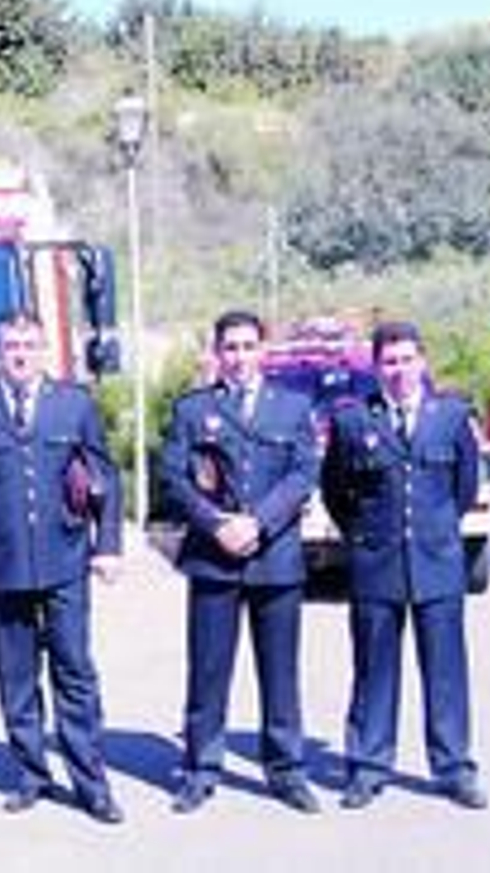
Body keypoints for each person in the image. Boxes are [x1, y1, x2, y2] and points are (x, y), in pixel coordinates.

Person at [0, 311, 125, 824]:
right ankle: (31, 775)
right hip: (1, 567)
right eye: (10, 345)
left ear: (44, 349)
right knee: (16, 676)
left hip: (65, 558)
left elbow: (104, 478)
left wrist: (107, 546)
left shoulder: (75, 405)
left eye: (29, 344)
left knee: (74, 672)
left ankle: (92, 783)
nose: (20, 353)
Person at [319, 321, 488, 810]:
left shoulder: (450, 417)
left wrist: (437, 531)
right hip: (376, 564)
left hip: (437, 565)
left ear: (423, 362)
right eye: (389, 362)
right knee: (374, 670)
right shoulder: (353, 422)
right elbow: (336, 492)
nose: (398, 370)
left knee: (446, 672)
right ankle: (368, 766)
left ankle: (454, 767)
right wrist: (365, 537)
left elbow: (464, 487)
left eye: (407, 359)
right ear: (376, 368)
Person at [160, 309, 321, 814]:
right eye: (230, 347)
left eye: (248, 346)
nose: (239, 357)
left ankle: (286, 770)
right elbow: (174, 478)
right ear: (216, 353)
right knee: (208, 671)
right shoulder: (193, 411)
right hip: (214, 559)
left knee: (280, 672)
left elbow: (302, 474)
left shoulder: (292, 407)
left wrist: (258, 523)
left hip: (275, 558)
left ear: (263, 351)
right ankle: (201, 768)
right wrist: (217, 525)